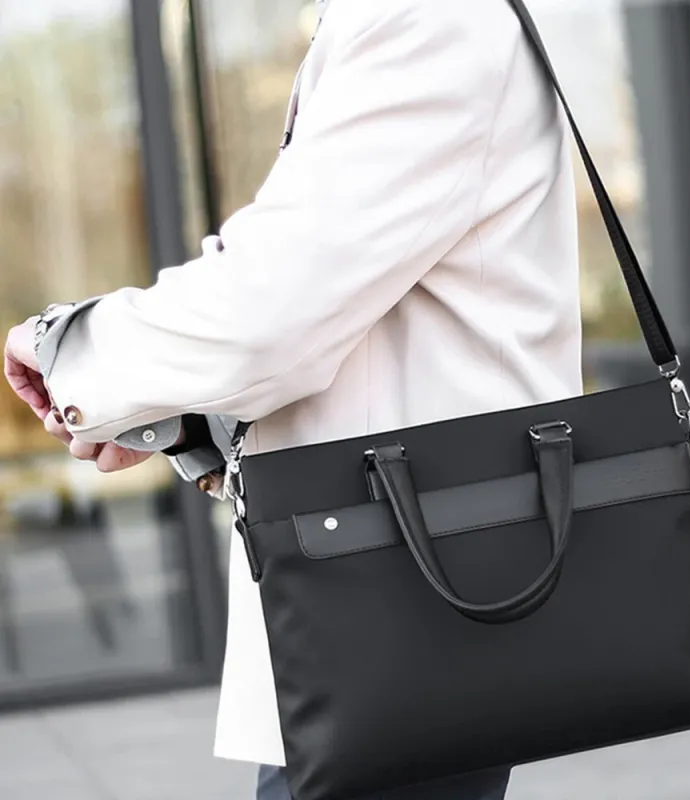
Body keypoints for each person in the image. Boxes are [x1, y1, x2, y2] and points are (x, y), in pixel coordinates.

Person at [3, 0, 582, 797]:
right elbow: (338, 314)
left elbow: (267, 311)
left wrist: (70, 350)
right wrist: (178, 418)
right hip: (400, 595)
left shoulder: (422, 17)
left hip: (407, 607)